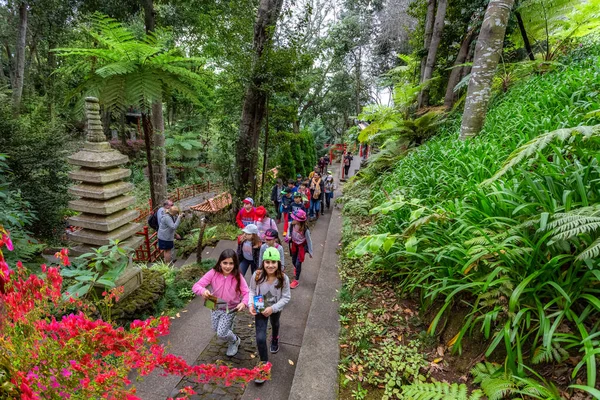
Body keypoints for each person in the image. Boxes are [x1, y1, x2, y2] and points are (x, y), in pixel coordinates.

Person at [192, 249, 248, 357]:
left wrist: (244, 303)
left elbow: (247, 292)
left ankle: (235, 340)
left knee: (221, 333)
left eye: (231, 263)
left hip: (230, 308)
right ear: (220, 262)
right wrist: (203, 291)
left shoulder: (238, 277)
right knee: (215, 328)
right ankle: (229, 327)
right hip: (214, 305)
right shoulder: (213, 273)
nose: (227, 266)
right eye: (225, 263)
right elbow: (196, 286)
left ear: (235, 263)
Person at [249, 247, 291, 383]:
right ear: (263, 262)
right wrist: (251, 304)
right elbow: (251, 291)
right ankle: (264, 365)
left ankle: (275, 337)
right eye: (267, 262)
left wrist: (273, 308)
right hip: (260, 308)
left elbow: (286, 297)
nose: (270, 265)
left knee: (275, 323)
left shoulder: (283, 279)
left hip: (275, 309)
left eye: (273, 262)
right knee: (260, 338)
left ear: (278, 263)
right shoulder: (257, 275)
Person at [285, 209, 312, 289]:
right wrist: (288, 237)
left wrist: (310, 251)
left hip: (301, 247)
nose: (292, 219)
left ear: (299, 220)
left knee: (298, 263)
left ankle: (296, 280)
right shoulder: (292, 225)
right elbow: (288, 233)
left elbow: (309, 240)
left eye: (294, 218)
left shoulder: (305, 229)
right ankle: (296, 269)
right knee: (293, 260)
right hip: (294, 245)